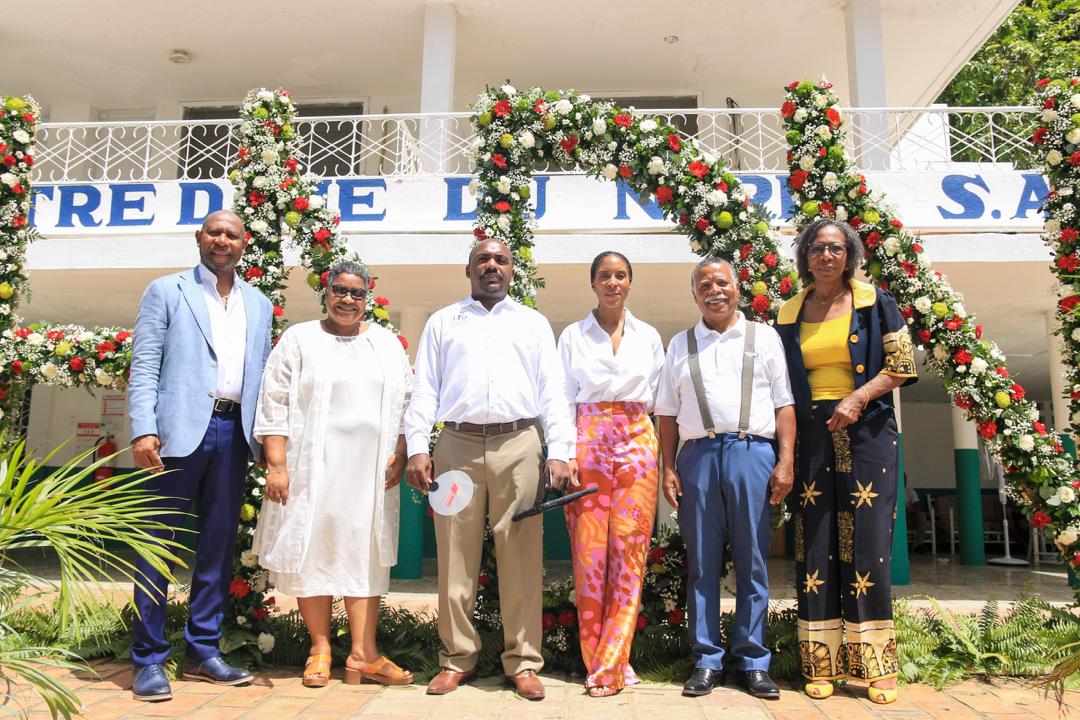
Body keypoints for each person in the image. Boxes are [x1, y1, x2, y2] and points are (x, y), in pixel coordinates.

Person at [404, 238, 574, 701]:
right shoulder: (443, 322)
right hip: (456, 446)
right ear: (469, 270)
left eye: (500, 260)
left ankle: (523, 661)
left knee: (520, 556)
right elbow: (424, 390)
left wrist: (559, 450)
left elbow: (552, 391)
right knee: (454, 556)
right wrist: (419, 445)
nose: (492, 266)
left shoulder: (533, 323)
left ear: (512, 271)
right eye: (483, 260)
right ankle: (456, 657)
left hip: (519, 445)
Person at [127, 210, 274, 702]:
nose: (222, 240)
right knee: (157, 546)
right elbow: (145, 363)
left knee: (216, 548)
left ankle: (203, 652)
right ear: (198, 237)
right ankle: (148, 658)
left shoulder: (259, 303)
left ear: (243, 243)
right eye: (214, 232)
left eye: (232, 234)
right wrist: (144, 428)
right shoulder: (167, 291)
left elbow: (261, 375)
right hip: (174, 436)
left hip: (234, 434)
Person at [774, 218, 917, 704]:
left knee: (869, 546)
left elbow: (901, 366)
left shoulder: (876, 304)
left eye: (836, 248)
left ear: (850, 254)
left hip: (868, 432)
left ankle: (875, 666)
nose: (826, 256)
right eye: (817, 248)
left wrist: (858, 397)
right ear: (805, 256)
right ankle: (822, 664)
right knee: (814, 546)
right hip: (812, 435)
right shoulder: (788, 312)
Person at [252, 261, 414, 688]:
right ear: (326, 292)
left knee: (366, 555)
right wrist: (278, 466)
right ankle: (319, 649)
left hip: (372, 472)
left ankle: (364, 655)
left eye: (357, 293)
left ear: (368, 298)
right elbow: (274, 403)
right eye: (339, 290)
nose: (347, 299)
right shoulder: (299, 339)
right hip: (312, 469)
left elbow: (407, 404)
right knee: (315, 551)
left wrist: (400, 450)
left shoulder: (386, 343)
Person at [656, 257, 795, 700]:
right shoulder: (681, 343)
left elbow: (783, 404)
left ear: (738, 287)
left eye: (722, 283)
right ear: (694, 294)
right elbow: (667, 413)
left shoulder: (763, 337)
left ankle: (753, 660)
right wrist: (668, 466)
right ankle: (706, 659)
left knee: (753, 558)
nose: (714, 291)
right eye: (704, 285)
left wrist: (785, 460)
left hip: (752, 453)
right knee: (702, 562)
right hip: (698, 456)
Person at [557, 251, 663, 697]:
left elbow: (657, 400)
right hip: (588, 444)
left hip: (638, 443)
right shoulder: (572, 335)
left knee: (629, 552)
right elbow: (561, 398)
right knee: (591, 557)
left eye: (620, 275)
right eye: (604, 275)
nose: (613, 282)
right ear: (593, 282)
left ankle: (614, 658)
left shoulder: (650, 336)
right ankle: (598, 658)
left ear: (630, 282)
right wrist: (563, 454)